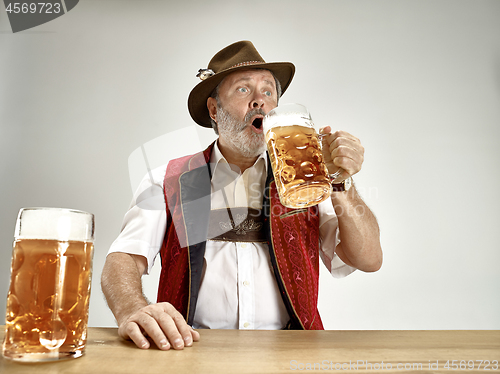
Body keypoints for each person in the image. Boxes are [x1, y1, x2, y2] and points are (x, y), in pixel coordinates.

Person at [101, 40, 382, 351]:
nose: (259, 101)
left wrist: (341, 182)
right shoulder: (168, 180)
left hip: (293, 355)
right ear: (214, 109)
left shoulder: (306, 179)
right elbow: (124, 258)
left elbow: (368, 259)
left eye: (268, 92)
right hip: (188, 355)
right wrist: (132, 308)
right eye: (243, 90)